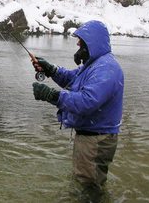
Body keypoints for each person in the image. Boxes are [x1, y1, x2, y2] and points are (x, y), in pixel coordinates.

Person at [31, 20, 124, 190]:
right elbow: (72, 79)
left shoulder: (106, 68)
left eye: (81, 42)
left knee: (89, 188)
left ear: (92, 43)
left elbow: (86, 102)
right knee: (84, 183)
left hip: (96, 140)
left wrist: (51, 95)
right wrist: (51, 70)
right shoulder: (95, 64)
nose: (77, 45)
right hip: (91, 136)